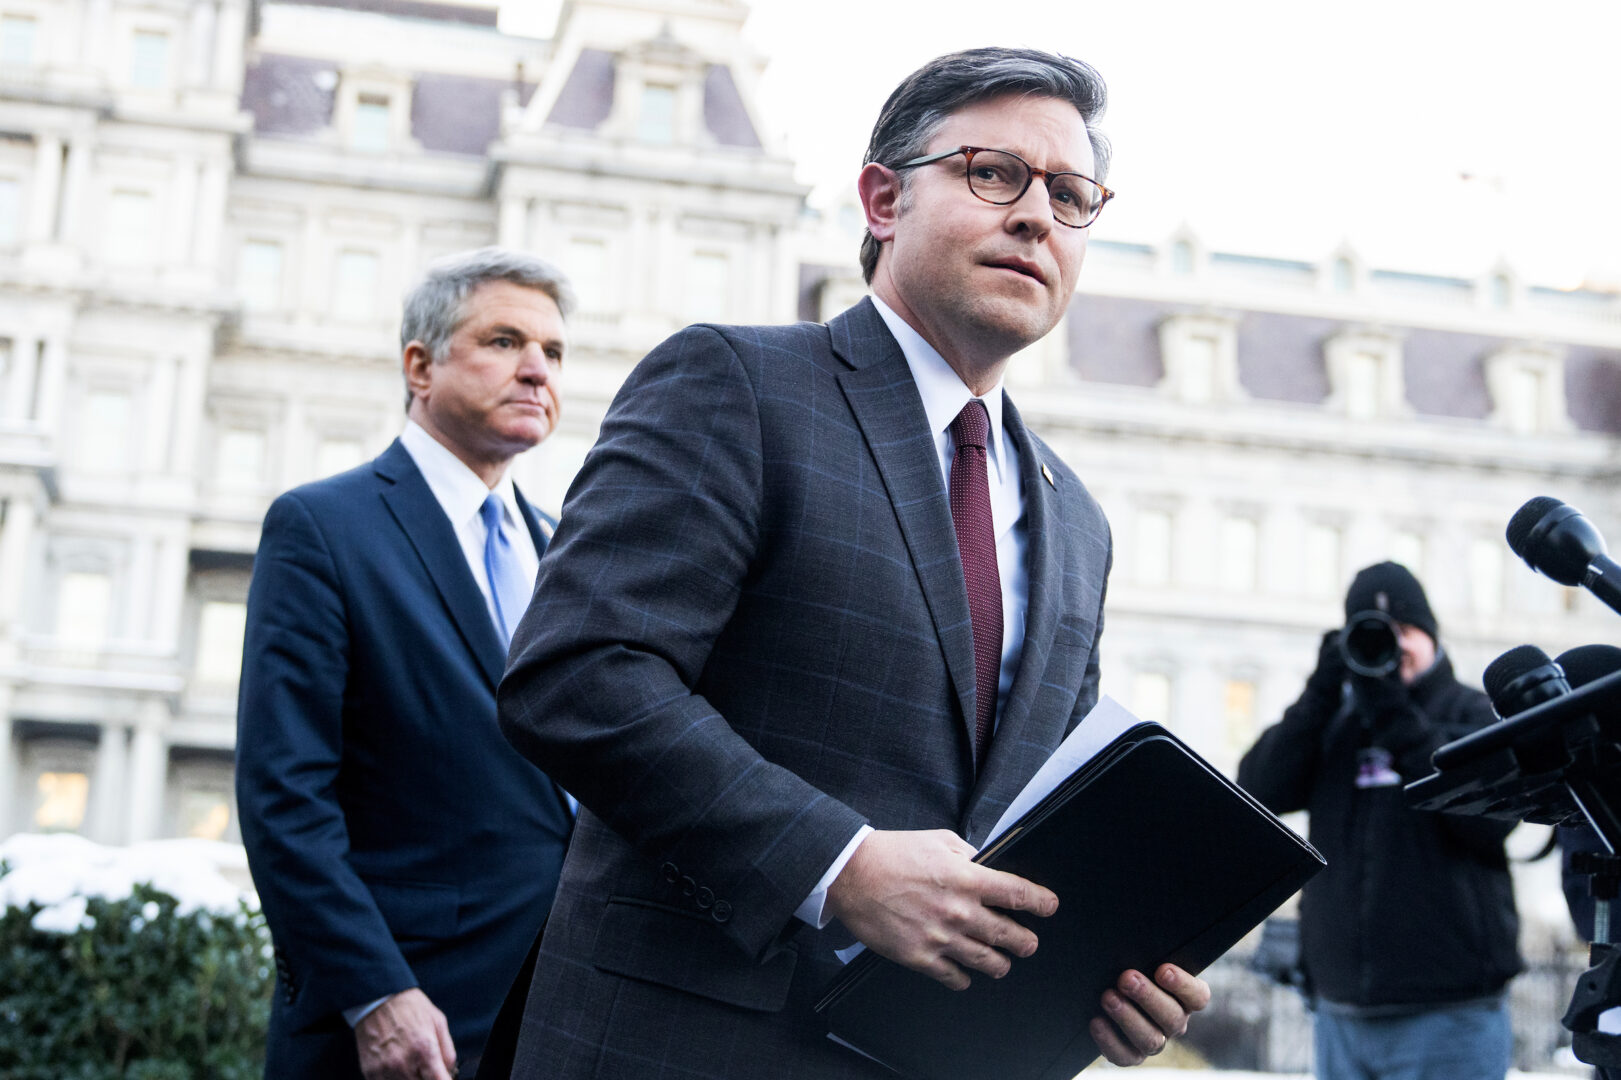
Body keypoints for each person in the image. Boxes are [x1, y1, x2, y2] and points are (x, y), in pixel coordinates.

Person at [495, 48, 1208, 1080]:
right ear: (881, 198)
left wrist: (1099, 978)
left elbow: (1029, 828)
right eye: (992, 173)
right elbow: (577, 676)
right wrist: (839, 865)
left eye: (1070, 194)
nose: (1036, 217)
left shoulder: (1078, 523)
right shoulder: (735, 383)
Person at [236, 248, 577, 1079]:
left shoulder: (567, 546)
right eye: (503, 341)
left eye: (554, 352)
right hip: (399, 1022)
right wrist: (374, 991)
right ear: (419, 366)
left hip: (556, 1015)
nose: (536, 369)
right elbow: (285, 797)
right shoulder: (322, 529)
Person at [1238, 561, 1522, 1080]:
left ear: (1432, 636)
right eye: (1374, 635)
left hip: (1449, 1016)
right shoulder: (1334, 724)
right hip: (1340, 1012)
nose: (1393, 648)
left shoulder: (1473, 714)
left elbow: (1492, 821)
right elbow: (1256, 790)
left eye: (1405, 632)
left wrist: (1393, 713)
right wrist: (1321, 692)